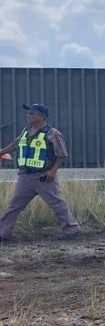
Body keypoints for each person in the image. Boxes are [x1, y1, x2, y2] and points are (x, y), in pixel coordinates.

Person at [0, 103, 82, 241]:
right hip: (25, 176)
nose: (29, 115)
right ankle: (3, 234)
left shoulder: (53, 133)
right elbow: (15, 145)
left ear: (42, 116)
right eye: (28, 113)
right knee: (13, 206)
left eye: (32, 113)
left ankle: (72, 229)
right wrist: (1, 152)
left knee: (57, 204)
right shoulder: (26, 131)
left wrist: (52, 171)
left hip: (44, 177)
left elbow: (62, 155)